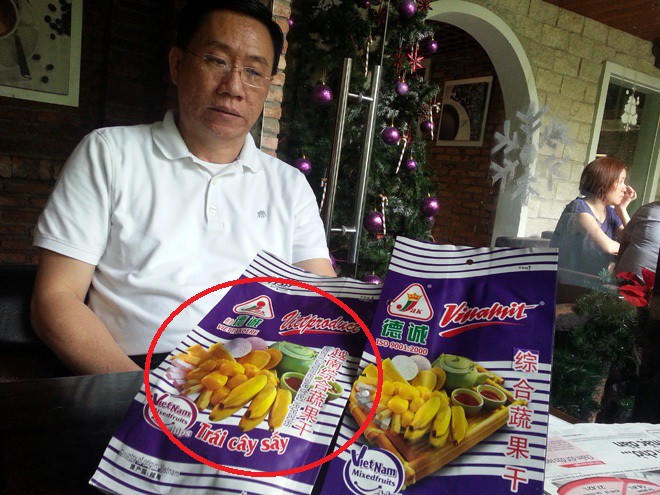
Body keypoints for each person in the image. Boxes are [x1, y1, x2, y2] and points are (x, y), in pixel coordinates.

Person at [30, 0, 335, 375]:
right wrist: (145, 395)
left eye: (254, 72)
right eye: (216, 61)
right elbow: (56, 298)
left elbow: (323, 301)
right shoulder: (110, 153)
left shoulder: (289, 185)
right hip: (134, 372)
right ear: (177, 64)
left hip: (256, 379)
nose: (233, 87)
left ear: (267, 86)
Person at [550, 157, 637, 276]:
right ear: (604, 182)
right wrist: (633, 249)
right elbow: (609, 246)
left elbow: (635, 240)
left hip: (589, 280)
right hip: (564, 280)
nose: (625, 188)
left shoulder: (611, 212)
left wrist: (622, 209)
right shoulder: (578, 208)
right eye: (620, 181)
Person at [614, 201, 660, 278]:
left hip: (625, 277)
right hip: (629, 278)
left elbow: (624, 240)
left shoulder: (648, 209)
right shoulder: (649, 210)